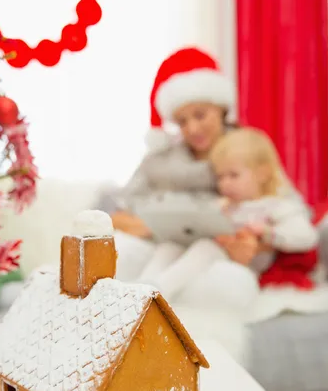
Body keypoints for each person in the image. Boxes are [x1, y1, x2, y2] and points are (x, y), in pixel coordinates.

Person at [111, 46, 262, 287]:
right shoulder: (159, 161)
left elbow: (280, 207)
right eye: (182, 121)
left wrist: (256, 244)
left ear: (221, 109)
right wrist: (149, 225)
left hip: (223, 260)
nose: (192, 129)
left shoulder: (250, 150)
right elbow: (117, 213)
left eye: (200, 115)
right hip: (162, 251)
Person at [140, 127, 319, 301]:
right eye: (220, 177)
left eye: (233, 175)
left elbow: (307, 236)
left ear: (262, 174)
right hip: (213, 263)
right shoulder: (225, 205)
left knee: (206, 247)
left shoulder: (276, 205)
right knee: (170, 247)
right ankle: (139, 289)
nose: (225, 184)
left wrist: (267, 233)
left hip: (245, 270)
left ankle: (160, 292)